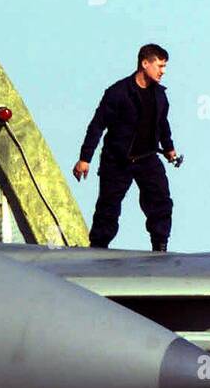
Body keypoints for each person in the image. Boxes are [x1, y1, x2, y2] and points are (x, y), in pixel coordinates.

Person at [72, 44, 178, 251]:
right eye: (159, 66)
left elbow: (162, 124)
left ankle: (160, 246)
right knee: (108, 208)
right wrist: (85, 159)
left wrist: (169, 149)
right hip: (117, 160)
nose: (163, 71)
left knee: (161, 202)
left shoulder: (160, 95)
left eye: (165, 66)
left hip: (147, 158)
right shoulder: (118, 92)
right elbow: (97, 125)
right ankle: (98, 248)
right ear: (144, 63)